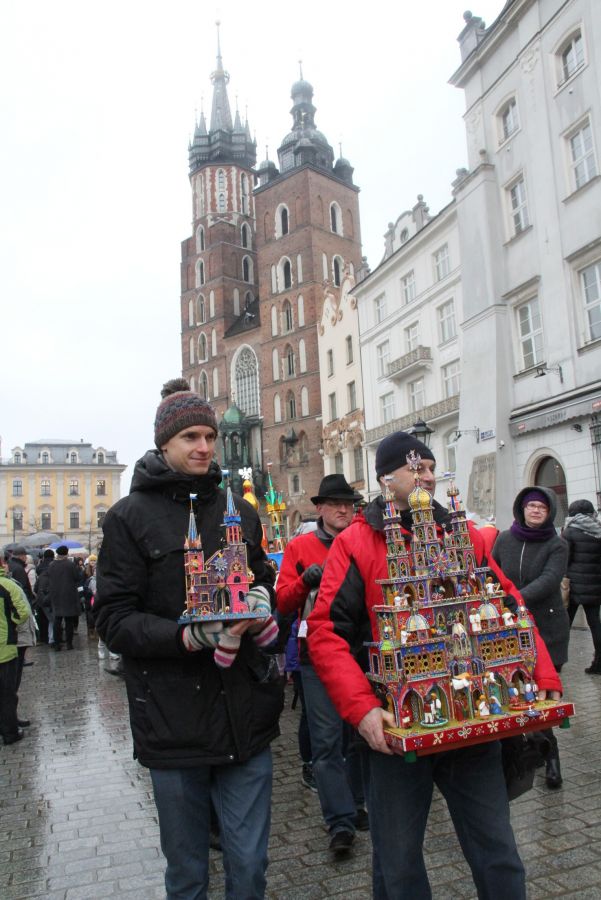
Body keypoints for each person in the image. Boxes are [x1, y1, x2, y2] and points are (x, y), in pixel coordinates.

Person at [307, 430, 562, 900]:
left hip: (471, 720)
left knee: (497, 847)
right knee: (398, 860)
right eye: (415, 468)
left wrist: (541, 673)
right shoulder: (358, 542)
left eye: (429, 467)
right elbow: (325, 633)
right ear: (387, 479)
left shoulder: (462, 535)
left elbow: (509, 606)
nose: (426, 475)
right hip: (393, 728)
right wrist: (361, 709)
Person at [94, 378, 283, 900]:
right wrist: (188, 636)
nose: (203, 447)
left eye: (209, 437)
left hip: (245, 714)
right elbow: (112, 619)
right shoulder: (128, 519)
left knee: (250, 867)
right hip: (172, 719)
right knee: (187, 873)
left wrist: (264, 604)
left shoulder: (240, 511)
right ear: (164, 444)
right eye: (190, 438)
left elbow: (262, 576)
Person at [277, 474, 367, 855]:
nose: (343, 510)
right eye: (334, 504)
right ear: (320, 509)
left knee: (361, 736)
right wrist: (303, 582)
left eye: (348, 504)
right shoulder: (300, 546)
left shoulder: (365, 540)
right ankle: (340, 821)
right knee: (327, 740)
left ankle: (358, 801)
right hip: (317, 654)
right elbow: (282, 602)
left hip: (363, 651)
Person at [492, 488, 569, 789]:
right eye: (530, 506)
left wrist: (514, 599)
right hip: (511, 629)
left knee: (543, 696)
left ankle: (552, 758)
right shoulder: (505, 539)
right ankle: (530, 752)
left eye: (541, 507)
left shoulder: (557, 543)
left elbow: (550, 579)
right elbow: (493, 572)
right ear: (521, 509)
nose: (535, 511)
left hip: (547, 629)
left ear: (549, 512)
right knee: (520, 693)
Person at [563, 499, 601, 674]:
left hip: (574, 587)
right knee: (595, 624)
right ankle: (599, 663)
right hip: (595, 586)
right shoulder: (598, 530)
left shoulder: (570, 532)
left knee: (564, 625)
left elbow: (565, 560)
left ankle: (556, 664)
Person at [0, 547, 31, 745]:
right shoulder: (7, 585)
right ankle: (10, 732)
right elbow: (23, 612)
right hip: (4, 647)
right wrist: (11, 624)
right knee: (6, 693)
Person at [47, 546, 81, 650]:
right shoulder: (70, 565)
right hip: (69, 594)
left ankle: (57, 644)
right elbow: (77, 577)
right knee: (69, 621)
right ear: (66, 553)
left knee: (57, 620)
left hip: (56, 595)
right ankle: (69, 644)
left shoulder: (51, 565)